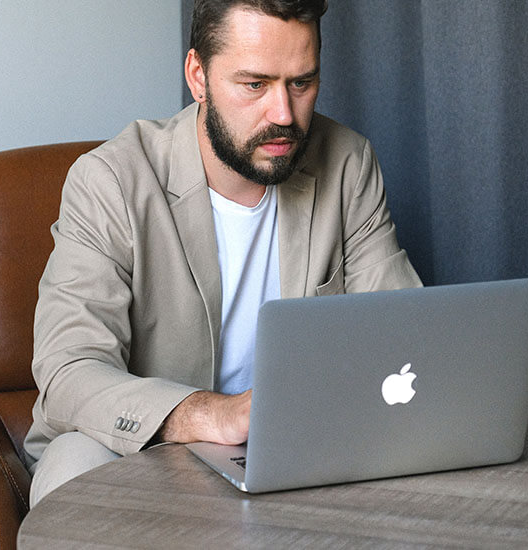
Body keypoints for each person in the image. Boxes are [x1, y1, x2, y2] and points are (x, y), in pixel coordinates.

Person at [23, 0, 422, 507]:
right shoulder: (111, 181)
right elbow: (68, 372)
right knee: (72, 465)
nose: (283, 115)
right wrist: (209, 415)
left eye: (301, 83)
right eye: (255, 85)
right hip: (143, 451)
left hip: (295, 450)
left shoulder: (347, 163)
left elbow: (403, 334)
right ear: (198, 76)